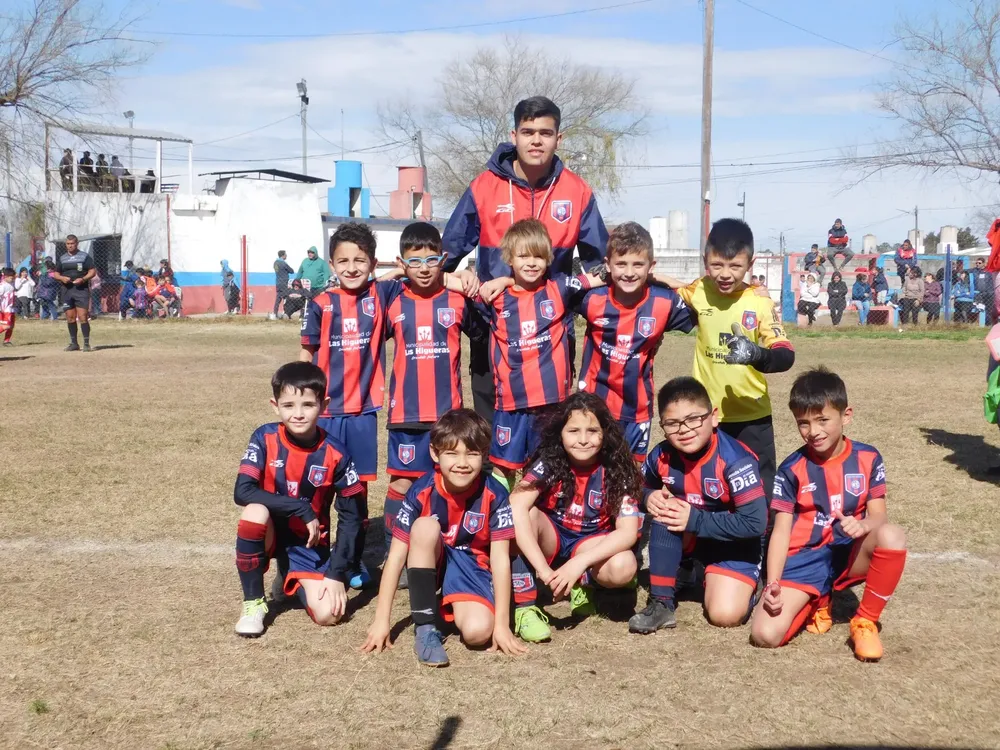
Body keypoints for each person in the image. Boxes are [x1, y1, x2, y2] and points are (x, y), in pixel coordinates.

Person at [443, 95, 608, 424]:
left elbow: (601, 264)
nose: (536, 140)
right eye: (528, 132)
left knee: (549, 432)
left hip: (552, 334)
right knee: (491, 431)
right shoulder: (484, 187)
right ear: (513, 135)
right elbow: (445, 254)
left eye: (545, 133)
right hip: (493, 327)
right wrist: (453, 280)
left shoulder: (577, 191)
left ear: (558, 138)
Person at [750, 368, 907, 661]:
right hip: (805, 558)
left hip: (847, 552)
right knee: (764, 635)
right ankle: (818, 600)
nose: (814, 431)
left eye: (823, 420)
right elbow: (780, 531)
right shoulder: (791, 469)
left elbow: (879, 517)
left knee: (892, 536)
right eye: (804, 423)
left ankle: (865, 622)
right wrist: (773, 583)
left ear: (846, 416)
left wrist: (863, 525)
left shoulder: (868, 458)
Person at [361, 409, 524, 665]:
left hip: (471, 564)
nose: (462, 463)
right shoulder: (421, 490)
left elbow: (500, 558)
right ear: (435, 454)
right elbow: (395, 557)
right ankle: (425, 628)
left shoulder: (495, 494)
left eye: (472, 453)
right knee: (425, 527)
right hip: (434, 556)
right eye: (452, 453)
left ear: (484, 454)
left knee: (478, 633)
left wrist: (502, 625)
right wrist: (381, 620)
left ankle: (443, 602)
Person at [300, 223, 408, 590]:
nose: (351, 267)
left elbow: (410, 275)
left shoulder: (381, 295)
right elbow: (306, 355)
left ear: (373, 264)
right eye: (343, 261)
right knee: (318, 491)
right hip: (326, 415)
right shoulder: (320, 304)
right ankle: (312, 558)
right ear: (331, 264)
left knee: (356, 493)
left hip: (363, 414)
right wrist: (303, 403)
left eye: (360, 260)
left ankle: (353, 557)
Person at [381, 222, 486, 587]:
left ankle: (451, 550)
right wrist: (393, 275)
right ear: (401, 263)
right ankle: (395, 553)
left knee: (449, 482)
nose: (423, 268)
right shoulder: (392, 299)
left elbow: (486, 332)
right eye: (414, 261)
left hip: (447, 415)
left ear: (443, 260)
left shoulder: (457, 300)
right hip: (406, 414)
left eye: (431, 260)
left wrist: (468, 282)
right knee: (402, 485)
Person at [663, 218, 794, 502]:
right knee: (707, 490)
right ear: (705, 261)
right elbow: (669, 285)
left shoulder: (759, 302)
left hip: (752, 416)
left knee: (759, 494)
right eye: (716, 265)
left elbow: (785, 355)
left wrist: (756, 354)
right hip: (704, 416)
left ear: (750, 263)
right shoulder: (699, 290)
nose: (725, 274)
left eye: (735, 266)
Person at [232, 361, 366, 637]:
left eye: (308, 405)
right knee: (254, 513)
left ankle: (288, 574)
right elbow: (242, 491)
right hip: (270, 532)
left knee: (330, 614)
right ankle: (253, 603)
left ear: (324, 405)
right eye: (289, 405)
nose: (298, 414)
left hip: (308, 542)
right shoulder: (264, 437)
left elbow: (352, 517)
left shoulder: (337, 453)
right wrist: (300, 508)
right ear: (275, 405)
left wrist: (337, 573)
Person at [630, 377, 767, 633]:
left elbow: (755, 523)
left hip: (736, 545)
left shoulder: (736, 460)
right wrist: (648, 496)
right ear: (663, 427)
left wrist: (695, 520)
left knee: (724, 615)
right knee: (666, 509)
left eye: (693, 419)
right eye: (672, 423)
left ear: (713, 417)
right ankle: (662, 604)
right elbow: (634, 489)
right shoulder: (661, 455)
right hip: (693, 538)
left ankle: (748, 583)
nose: (684, 429)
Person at [474, 218, 602, 490]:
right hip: (511, 404)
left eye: (538, 257)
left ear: (548, 259)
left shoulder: (560, 288)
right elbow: (457, 283)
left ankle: (537, 513)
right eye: (523, 256)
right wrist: (502, 280)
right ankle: (501, 512)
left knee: (544, 466)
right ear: (509, 258)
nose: (531, 263)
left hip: (551, 405)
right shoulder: (496, 296)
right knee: (503, 468)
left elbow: (602, 275)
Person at [508, 392, 643, 644]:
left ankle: (584, 583)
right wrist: (544, 571)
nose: (583, 440)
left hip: (590, 542)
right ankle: (525, 608)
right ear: (560, 433)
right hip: (553, 537)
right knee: (522, 514)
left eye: (592, 431)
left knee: (624, 566)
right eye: (573, 431)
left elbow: (627, 532)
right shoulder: (550, 461)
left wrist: (578, 564)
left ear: (605, 433)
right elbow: (516, 504)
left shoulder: (618, 467)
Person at [575, 221, 694, 461]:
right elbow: (551, 291)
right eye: (621, 264)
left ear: (651, 266)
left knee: (629, 473)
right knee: (588, 469)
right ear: (608, 264)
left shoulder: (664, 302)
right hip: (592, 405)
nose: (629, 272)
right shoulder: (591, 299)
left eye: (638, 264)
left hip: (636, 409)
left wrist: (663, 280)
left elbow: (705, 299)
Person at [52, 235, 95, 351]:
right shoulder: (62, 258)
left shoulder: (84, 256)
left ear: (77, 244)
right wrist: (62, 278)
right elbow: (56, 274)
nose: (70, 246)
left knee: (82, 317)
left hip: (81, 290)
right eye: (68, 244)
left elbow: (92, 271)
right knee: (70, 317)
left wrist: (83, 279)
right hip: (67, 290)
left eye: (72, 243)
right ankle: (74, 343)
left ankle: (86, 344)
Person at [270, 250, 295, 320]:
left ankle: (275, 313)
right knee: (287, 299)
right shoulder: (283, 263)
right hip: (284, 283)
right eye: (285, 254)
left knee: (278, 299)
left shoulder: (275, 263)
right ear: (283, 255)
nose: (286, 256)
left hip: (278, 283)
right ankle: (286, 314)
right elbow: (291, 271)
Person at [0, 268, 16, 345]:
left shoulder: (12, 283)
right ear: (5, 277)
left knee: (11, 326)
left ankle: (6, 341)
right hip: (5, 309)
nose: (12, 279)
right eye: (11, 278)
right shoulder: (2, 286)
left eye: (13, 277)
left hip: (11, 308)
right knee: (6, 326)